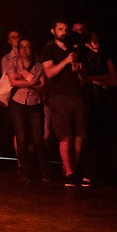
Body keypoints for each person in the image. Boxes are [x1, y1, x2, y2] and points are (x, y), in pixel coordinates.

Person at [41, 21, 88, 186]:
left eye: (66, 29)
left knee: (79, 136)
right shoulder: (49, 50)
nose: (64, 32)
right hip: (59, 97)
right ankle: (68, 172)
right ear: (53, 31)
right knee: (65, 136)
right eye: (60, 29)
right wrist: (66, 61)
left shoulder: (74, 51)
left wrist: (79, 70)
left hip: (77, 96)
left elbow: (82, 80)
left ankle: (74, 170)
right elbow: (49, 73)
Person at [77, 27, 117, 183]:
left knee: (108, 136)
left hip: (106, 102)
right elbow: (83, 80)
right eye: (93, 39)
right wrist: (102, 78)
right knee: (91, 137)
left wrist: (96, 80)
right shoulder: (82, 59)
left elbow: (114, 80)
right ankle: (90, 173)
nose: (96, 42)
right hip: (90, 102)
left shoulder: (106, 58)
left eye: (98, 39)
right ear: (88, 43)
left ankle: (109, 173)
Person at [4, 37, 46, 180]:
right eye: (22, 46)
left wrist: (26, 78)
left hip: (35, 103)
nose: (25, 49)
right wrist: (32, 81)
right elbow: (13, 82)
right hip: (18, 102)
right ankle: (24, 170)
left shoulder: (39, 65)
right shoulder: (13, 63)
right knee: (21, 138)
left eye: (28, 46)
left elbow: (42, 85)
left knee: (38, 138)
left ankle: (43, 170)